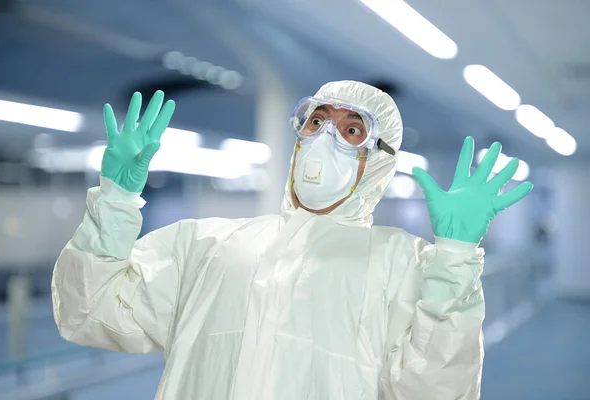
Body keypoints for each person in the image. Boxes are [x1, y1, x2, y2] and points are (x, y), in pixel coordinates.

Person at [51, 80, 533, 399]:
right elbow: (89, 311)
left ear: (378, 161)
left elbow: (436, 389)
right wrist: (115, 198)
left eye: (350, 130)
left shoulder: (401, 265)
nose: (326, 137)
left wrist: (453, 260)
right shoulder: (207, 245)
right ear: (299, 135)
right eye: (316, 121)